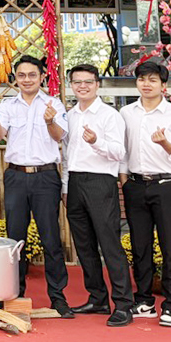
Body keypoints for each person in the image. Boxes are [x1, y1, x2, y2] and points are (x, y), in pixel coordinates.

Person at [0, 55, 73, 318]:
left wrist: (50, 121)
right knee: (15, 239)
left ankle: (58, 297)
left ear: (42, 76)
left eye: (32, 75)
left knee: (50, 238)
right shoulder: (8, 105)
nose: (26, 80)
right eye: (21, 75)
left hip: (45, 176)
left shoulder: (54, 104)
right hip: (16, 176)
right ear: (15, 78)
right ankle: (13, 294)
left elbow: (60, 136)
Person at [119, 61, 171, 328]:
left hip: (167, 186)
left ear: (164, 85)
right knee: (140, 246)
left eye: (152, 79)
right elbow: (123, 151)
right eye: (141, 79)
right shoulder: (126, 113)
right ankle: (144, 300)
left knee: (170, 246)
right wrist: (124, 181)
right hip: (136, 185)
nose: (146, 84)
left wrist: (165, 144)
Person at [61, 65, 133, 327]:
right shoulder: (69, 115)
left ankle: (123, 304)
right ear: (71, 85)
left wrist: (96, 142)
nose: (82, 86)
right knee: (84, 245)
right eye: (77, 82)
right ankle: (98, 298)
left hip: (101, 182)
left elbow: (119, 152)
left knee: (109, 243)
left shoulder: (109, 115)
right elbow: (66, 155)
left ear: (97, 84)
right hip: (75, 182)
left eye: (88, 82)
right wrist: (66, 187)